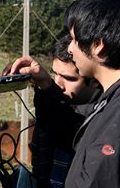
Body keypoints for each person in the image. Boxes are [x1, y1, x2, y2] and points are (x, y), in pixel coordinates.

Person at [6, 0, 120, 188]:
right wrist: (47, 86)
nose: (70, 48)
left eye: (74, 39)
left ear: (98, 45)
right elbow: (77, 132)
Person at [31, 35, 101, 188]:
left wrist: (48, 91)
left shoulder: (106, 114)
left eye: (68, 78)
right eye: (54, 74)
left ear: (94, 79)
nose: (58, 84)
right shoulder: (52, 103)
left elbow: (73, 129)